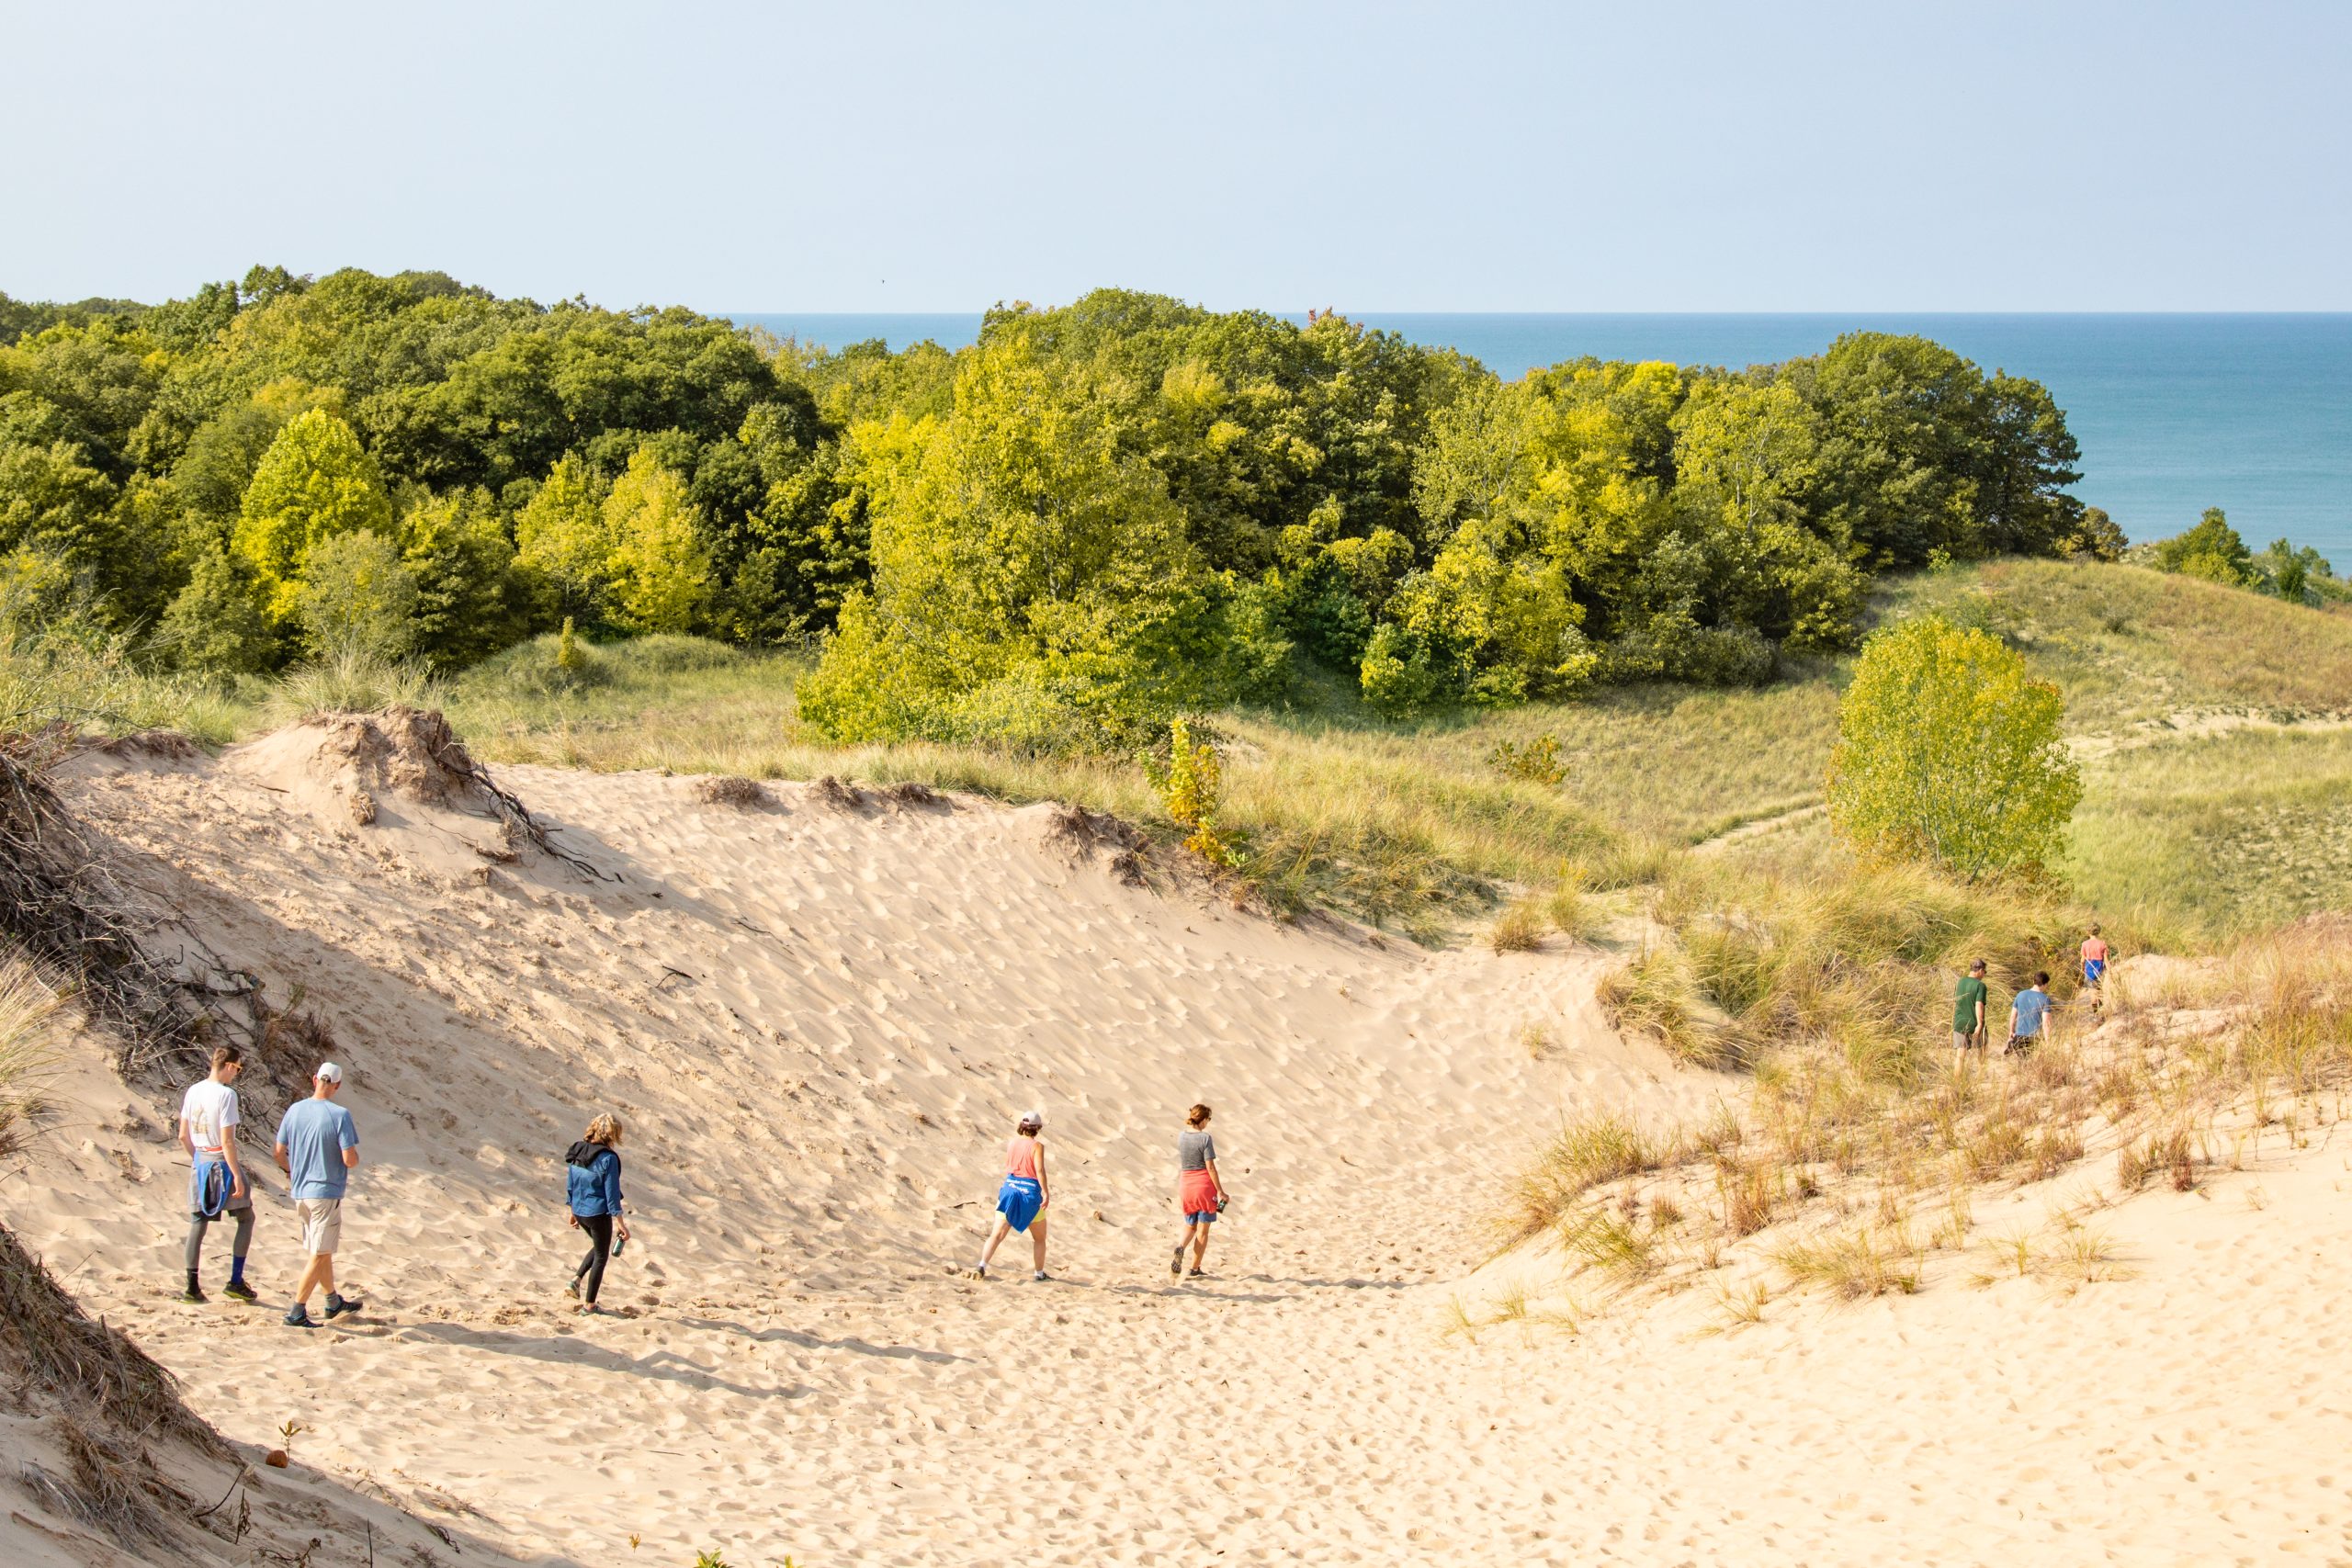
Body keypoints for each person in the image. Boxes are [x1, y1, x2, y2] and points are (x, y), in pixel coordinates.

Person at [273, 1062, 361, 1329]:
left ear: (314, 1080)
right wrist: (352, 1157)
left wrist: (291, 1170)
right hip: (325, 1191)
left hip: (300, 1191)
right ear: (337, 1085)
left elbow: (278, 1152)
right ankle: (296, 1311)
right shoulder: (339, 1114)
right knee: (320, 1253)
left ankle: (332, 1301)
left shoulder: (295, 1110)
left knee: (320, 1250)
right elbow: (350, 1159)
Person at [177, 1045, 255, 1303]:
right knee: (246, 1217)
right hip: (220, 1161)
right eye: (238, 1069)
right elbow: (228, 1141)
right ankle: (235, 1280)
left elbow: (182, 1135)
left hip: (200, 1160)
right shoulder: (226, 1094)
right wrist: (235, 1173)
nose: (236, 1075)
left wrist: (198, 1160)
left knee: (197, 1223)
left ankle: (191, 1286)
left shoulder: (193, 1090)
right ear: (230, 1066)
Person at [563, 1113, 630, 1314]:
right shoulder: (608, 1158)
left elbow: (571, 1183)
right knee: (601, 1255)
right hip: (597, 1212)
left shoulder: (579, 1149)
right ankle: (589, 1305)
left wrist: (572, 1211)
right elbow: (611, 1195)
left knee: (599, 1244)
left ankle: (575, 1280)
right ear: (613, 1134)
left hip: (580, 1210)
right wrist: (621, 1223)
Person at [975, 1110, 1049, 1281]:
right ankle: (1039, 1274)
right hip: (1028, 1195)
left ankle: (982, 1265)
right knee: (1039, 1238)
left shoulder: (1012, 1143)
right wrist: (1045, 1191)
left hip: (1009, 1191)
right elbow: (1039, 1170)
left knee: (997, 1235)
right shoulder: (1037, 1146)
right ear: (1037, 1128)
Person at [1169, 1103, 1227, 1280]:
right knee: (1202, 1230)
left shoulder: (1181, 1137)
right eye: (1208, 1119)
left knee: (1190, 1224)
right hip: (1203, 1185)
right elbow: (1210, 1166)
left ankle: (1181, 1246)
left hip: (1185, 1184)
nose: (1208, 1123)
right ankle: (1195, 1268)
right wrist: (1220, 1191)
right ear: (1202, 1120)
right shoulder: (1205, 1138)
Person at [2006, 971, 2053, 1055]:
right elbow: (2046, 1023)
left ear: (2033, 981)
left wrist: (2011, 1031)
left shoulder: (2020, 995)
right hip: (2034, 1037)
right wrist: (2047, 1041)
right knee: (2032, 1064)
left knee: (2021, 1062)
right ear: (2045, 984)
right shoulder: (2045, 999)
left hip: (2019, 1035)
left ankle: (2012, 1043)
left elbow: (2013, 1016)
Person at [1952, 959, 1990, 1065]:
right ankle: (1981, 1074)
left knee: (1960, 1055)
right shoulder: (1980, 985)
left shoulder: (1960, 982)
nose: (1984, 975)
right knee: (1982, 1049)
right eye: (1984, 972)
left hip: (1959, 1022)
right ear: (1980, 970)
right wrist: (1980, 1024)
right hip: (1973, 1022)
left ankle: (1957, 1080)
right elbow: (1979, 1004)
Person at [2082, 924, 2111, 1010]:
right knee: (2099, 990)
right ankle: (2101, 1009)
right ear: (2098, 932)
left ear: (2088, 932)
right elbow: (2106, 960)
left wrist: (2082, 968)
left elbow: (2082, 960)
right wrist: (2110, 971)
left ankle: (2095, 1011)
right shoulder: (2102, 944)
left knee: (2092, 991)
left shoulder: (2084, 944)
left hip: (2089, 969)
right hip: (2100, 969)